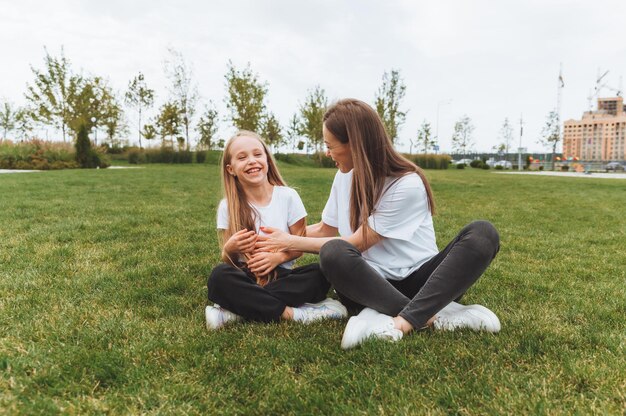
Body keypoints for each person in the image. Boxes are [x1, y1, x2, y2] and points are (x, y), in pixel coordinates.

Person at [257, 99, 501, 349]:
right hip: (368, 284)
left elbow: (358, 242)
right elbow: (324, 230)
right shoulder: (343, 176)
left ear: (355, 144)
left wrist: (290, 241)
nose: (327, 153)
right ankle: (432, 314)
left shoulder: (407, 184)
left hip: (424, 282)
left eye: (330, 146)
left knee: (483, 234)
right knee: (333, 253)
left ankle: (406, 321)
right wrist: (269, 241)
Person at [205, 130, 347, 329]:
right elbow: (230, 262)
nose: (252, 161)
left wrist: (277, 258)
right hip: (247, 275)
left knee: (320, 273)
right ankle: (293, 314)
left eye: (257, 154)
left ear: (267, 160)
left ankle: (236, 310)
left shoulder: (288, 197)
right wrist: (229, 249)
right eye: (242, 157)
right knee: (219, 277)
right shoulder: (227, 206)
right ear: (231, 169)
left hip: (282, 275)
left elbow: (299, 245)